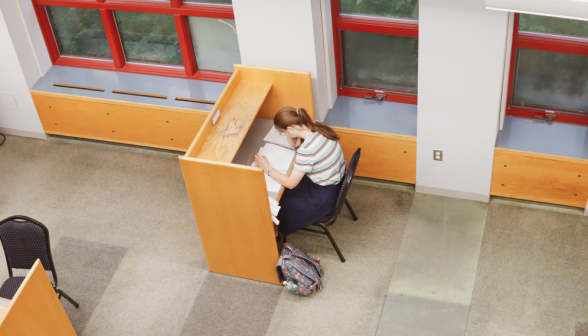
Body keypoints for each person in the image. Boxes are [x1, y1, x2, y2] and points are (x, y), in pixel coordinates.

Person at [254, 106, 347, 237]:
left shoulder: (308, 150)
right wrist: (292, 133)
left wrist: (267, 167)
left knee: (274, 203)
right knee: (282, 190)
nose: (283, 135)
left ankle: (274, 235)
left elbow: (291, 183)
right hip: (334, 180)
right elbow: (295, 144)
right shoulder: (318, 125)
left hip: (322, 197)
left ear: (290, 128)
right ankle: (274, 230)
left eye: (282, 132)